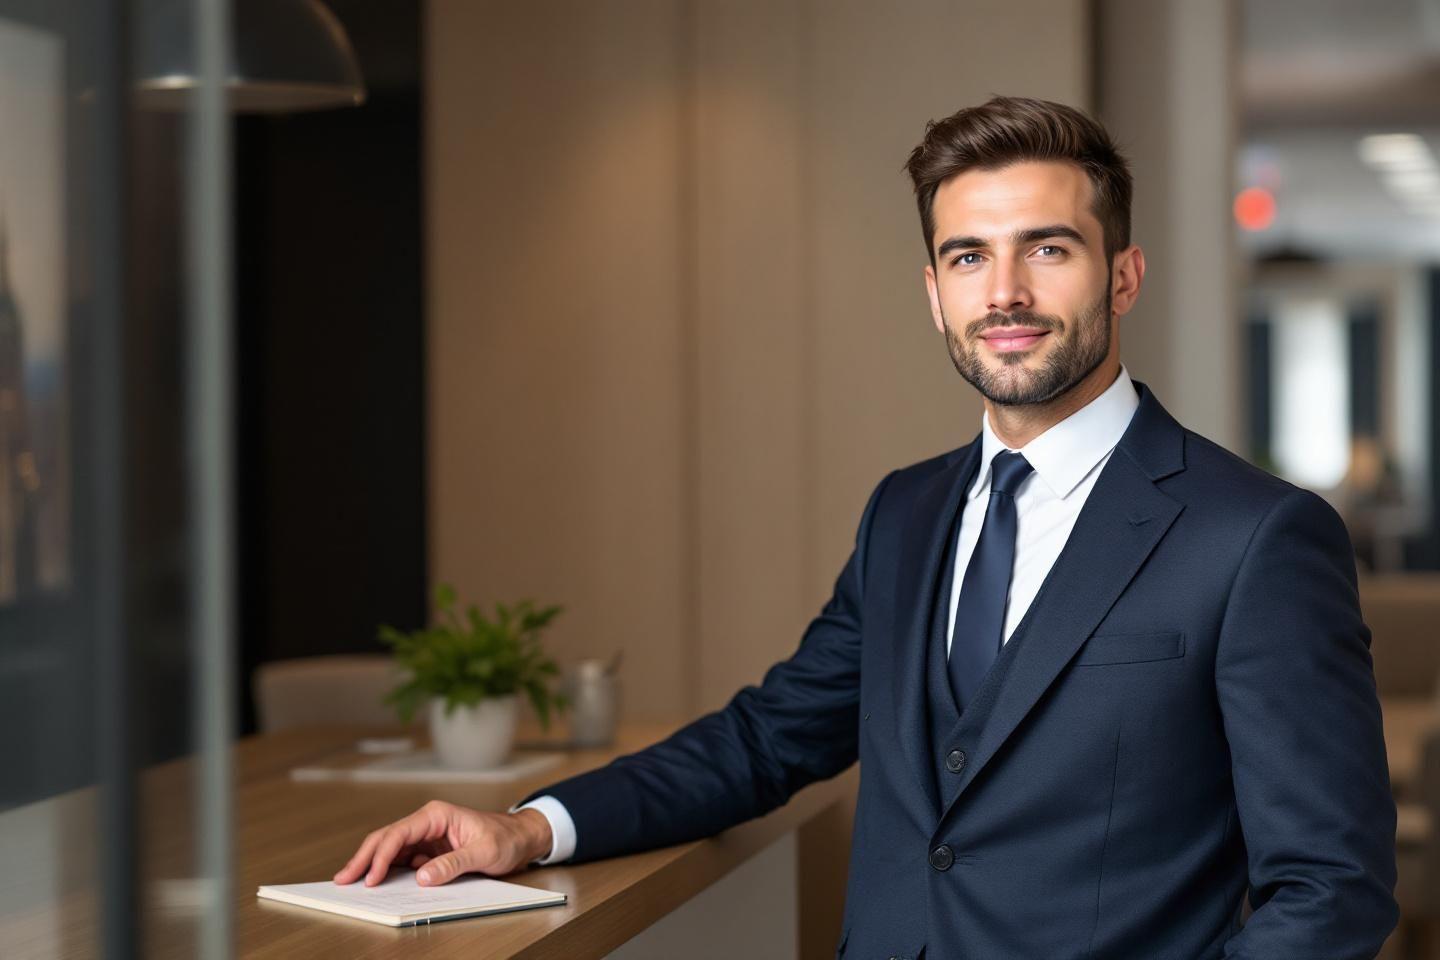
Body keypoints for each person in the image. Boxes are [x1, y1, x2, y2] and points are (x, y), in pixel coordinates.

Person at [334, 96, 1397, 958]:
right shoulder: (907, 511)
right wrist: (526, 827)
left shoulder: (1257, 536)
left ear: (1123, 276)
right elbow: (767, 738)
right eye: (970, 257)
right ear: (934, 292)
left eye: (1050, 249)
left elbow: (1332, 890)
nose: (1008, 293)